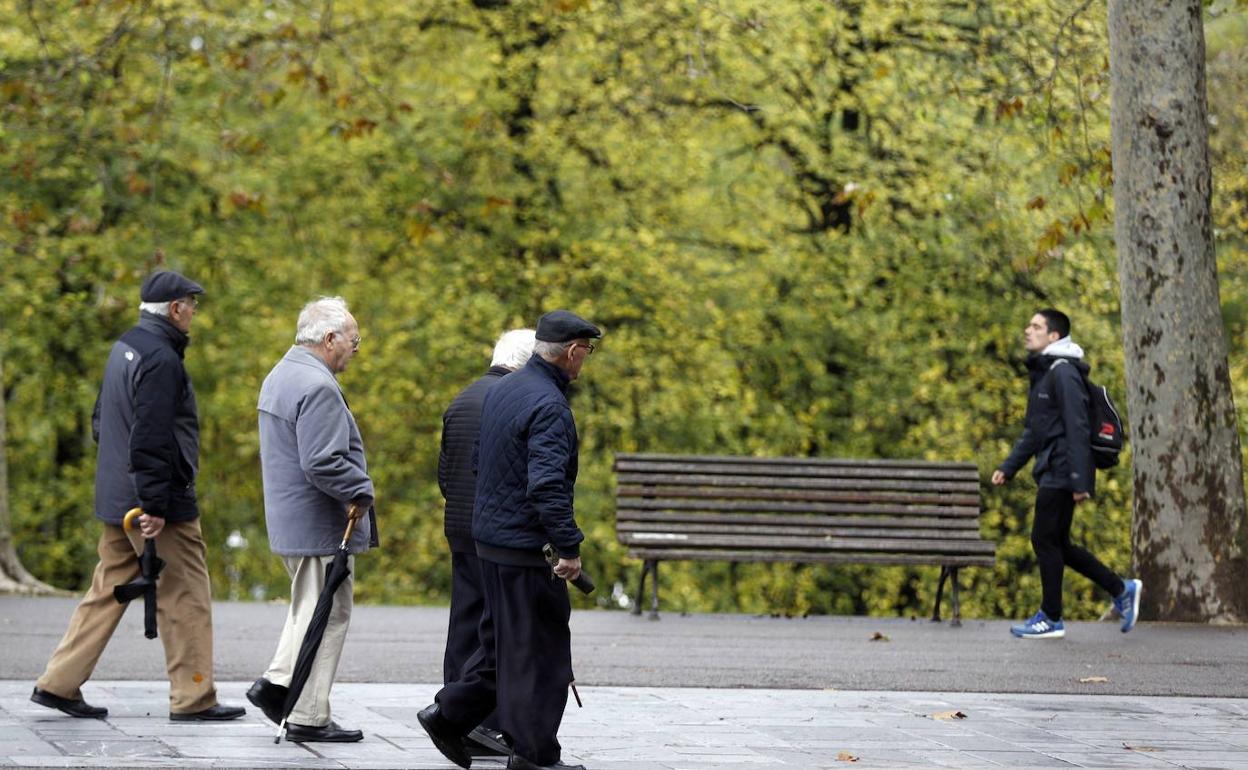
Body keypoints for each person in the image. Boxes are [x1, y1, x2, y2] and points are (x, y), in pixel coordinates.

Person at [32, 270, 246, 722]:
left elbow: (100, 421)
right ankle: (194, 697)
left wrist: (126, 486)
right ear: (174, 309)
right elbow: (151, 438)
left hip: (117, 495)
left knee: (108, 589)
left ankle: (59, 682)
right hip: (154, 503)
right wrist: (154, 505)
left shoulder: (125, 347)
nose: (194, 313)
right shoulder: (163, 361)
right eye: (191, 304)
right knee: (186, 594)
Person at [418, 310, 600, 770]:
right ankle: (535, 756)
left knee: (501, 646)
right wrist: (570, 547)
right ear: (574, 351)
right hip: (525, 550)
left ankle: (449, 716)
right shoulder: (550, 406)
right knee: (540, 653)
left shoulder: (504, 391)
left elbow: (479, 465)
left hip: (490, 545)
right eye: (587, 352)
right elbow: (547, 486)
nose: (586, 361)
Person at [247, 297, 377, 743]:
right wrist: (361, 490)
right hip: (319, 524)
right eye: (353, 340)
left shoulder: (281, 374)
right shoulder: (316, 385)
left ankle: (279, 686)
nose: (356, 348)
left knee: (309, 608)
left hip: (292, 520)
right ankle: (305, 711)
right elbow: (322, 462)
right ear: (329, 339)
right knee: (328, 613)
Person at [992, 309, 1142, 639]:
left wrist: (1080, 480)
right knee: (1058, 542)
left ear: (1053, 336)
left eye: (1035, 326)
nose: (1027, 330)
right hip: (1054, 465)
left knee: (1043, 539)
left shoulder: (1063, 373)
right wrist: (1009, 466)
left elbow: (1078, 426)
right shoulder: (1047, 374)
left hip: (1063, 468)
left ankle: (1051, 616)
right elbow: (1035, 431)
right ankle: (1121, 588)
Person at [437, 328, 537, 759]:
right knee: (497, 628)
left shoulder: (462, 398)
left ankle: (453, 716)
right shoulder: (510, 401)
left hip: (458, 524)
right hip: (493, 532)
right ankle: (483, 723)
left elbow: (445, 470)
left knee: (464, 623)